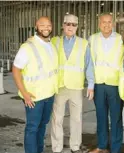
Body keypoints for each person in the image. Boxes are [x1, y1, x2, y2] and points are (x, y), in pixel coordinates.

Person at [12, 16, 58, 153]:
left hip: (49, 94)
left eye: (48, 25)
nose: (46, 28)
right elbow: (15, 70)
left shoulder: (50, 44)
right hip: (33, 96)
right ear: (36, 27)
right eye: (42, 25)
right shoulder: (28, 47)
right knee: (32, 127)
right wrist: (25, 94)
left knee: (42, 125)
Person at [51, 14, 94, 153]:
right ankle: (56, 147)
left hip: (76, 87)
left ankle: (75, 146)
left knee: (76, 119)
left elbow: (89, 65)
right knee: (57, 119)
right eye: (68, 24)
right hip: (59, 86)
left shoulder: (84, 43)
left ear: (77, 27)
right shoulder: (54, 42)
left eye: (73, 24)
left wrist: (91, 85)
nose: (70, 27)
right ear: (63, 25)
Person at [89, 13, 124, 153]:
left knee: (116, 118)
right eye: (104, 22)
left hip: (115, 84)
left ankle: (116, 148)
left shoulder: (120, 39)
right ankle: (102, 146)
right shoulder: (92, 39)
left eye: (109, 22)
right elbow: (90, 62)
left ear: (113, 24)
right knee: (101, 116)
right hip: (98, 84)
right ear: (99, 24)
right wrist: (91, 85)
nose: (106, 24)